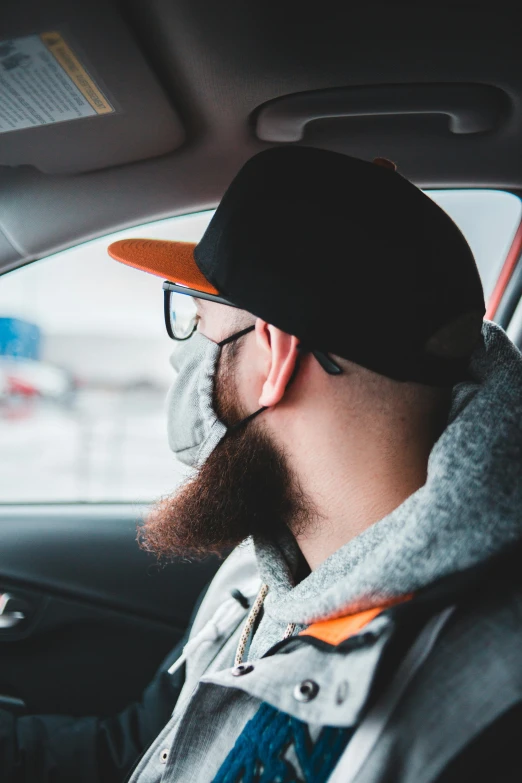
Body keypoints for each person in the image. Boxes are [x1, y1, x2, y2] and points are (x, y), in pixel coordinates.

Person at [2, 146, 522, 782]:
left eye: (197, 326)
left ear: (274, 354)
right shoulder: (264, 569)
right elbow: (147, 747)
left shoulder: (485, 712)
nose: (182, 360)